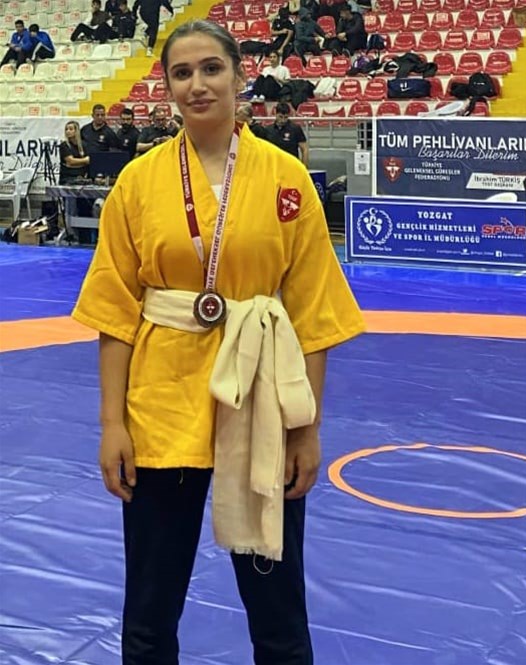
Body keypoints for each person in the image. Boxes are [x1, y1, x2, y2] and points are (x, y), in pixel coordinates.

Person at [72, 19, 364, 665]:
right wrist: (112, 423)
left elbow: (313, 314)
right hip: (161, 402)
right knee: (149, 613)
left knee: (279, 616)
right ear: (167, 88)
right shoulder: (138, 182)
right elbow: (116, 316)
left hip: (262, 402)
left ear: (238, 76)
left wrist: (306, 430)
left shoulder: (286, 178)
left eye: (211, 68)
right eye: (182, 73)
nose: (197, 84)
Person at [267, 101, 309, 166]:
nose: (283, 120)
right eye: (280, 117)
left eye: (286, 117)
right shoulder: (268, 130)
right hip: (274, 166)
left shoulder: (295, 129)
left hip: (291, 166)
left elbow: (304, 149)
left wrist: (304, 167)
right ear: (275, 113)